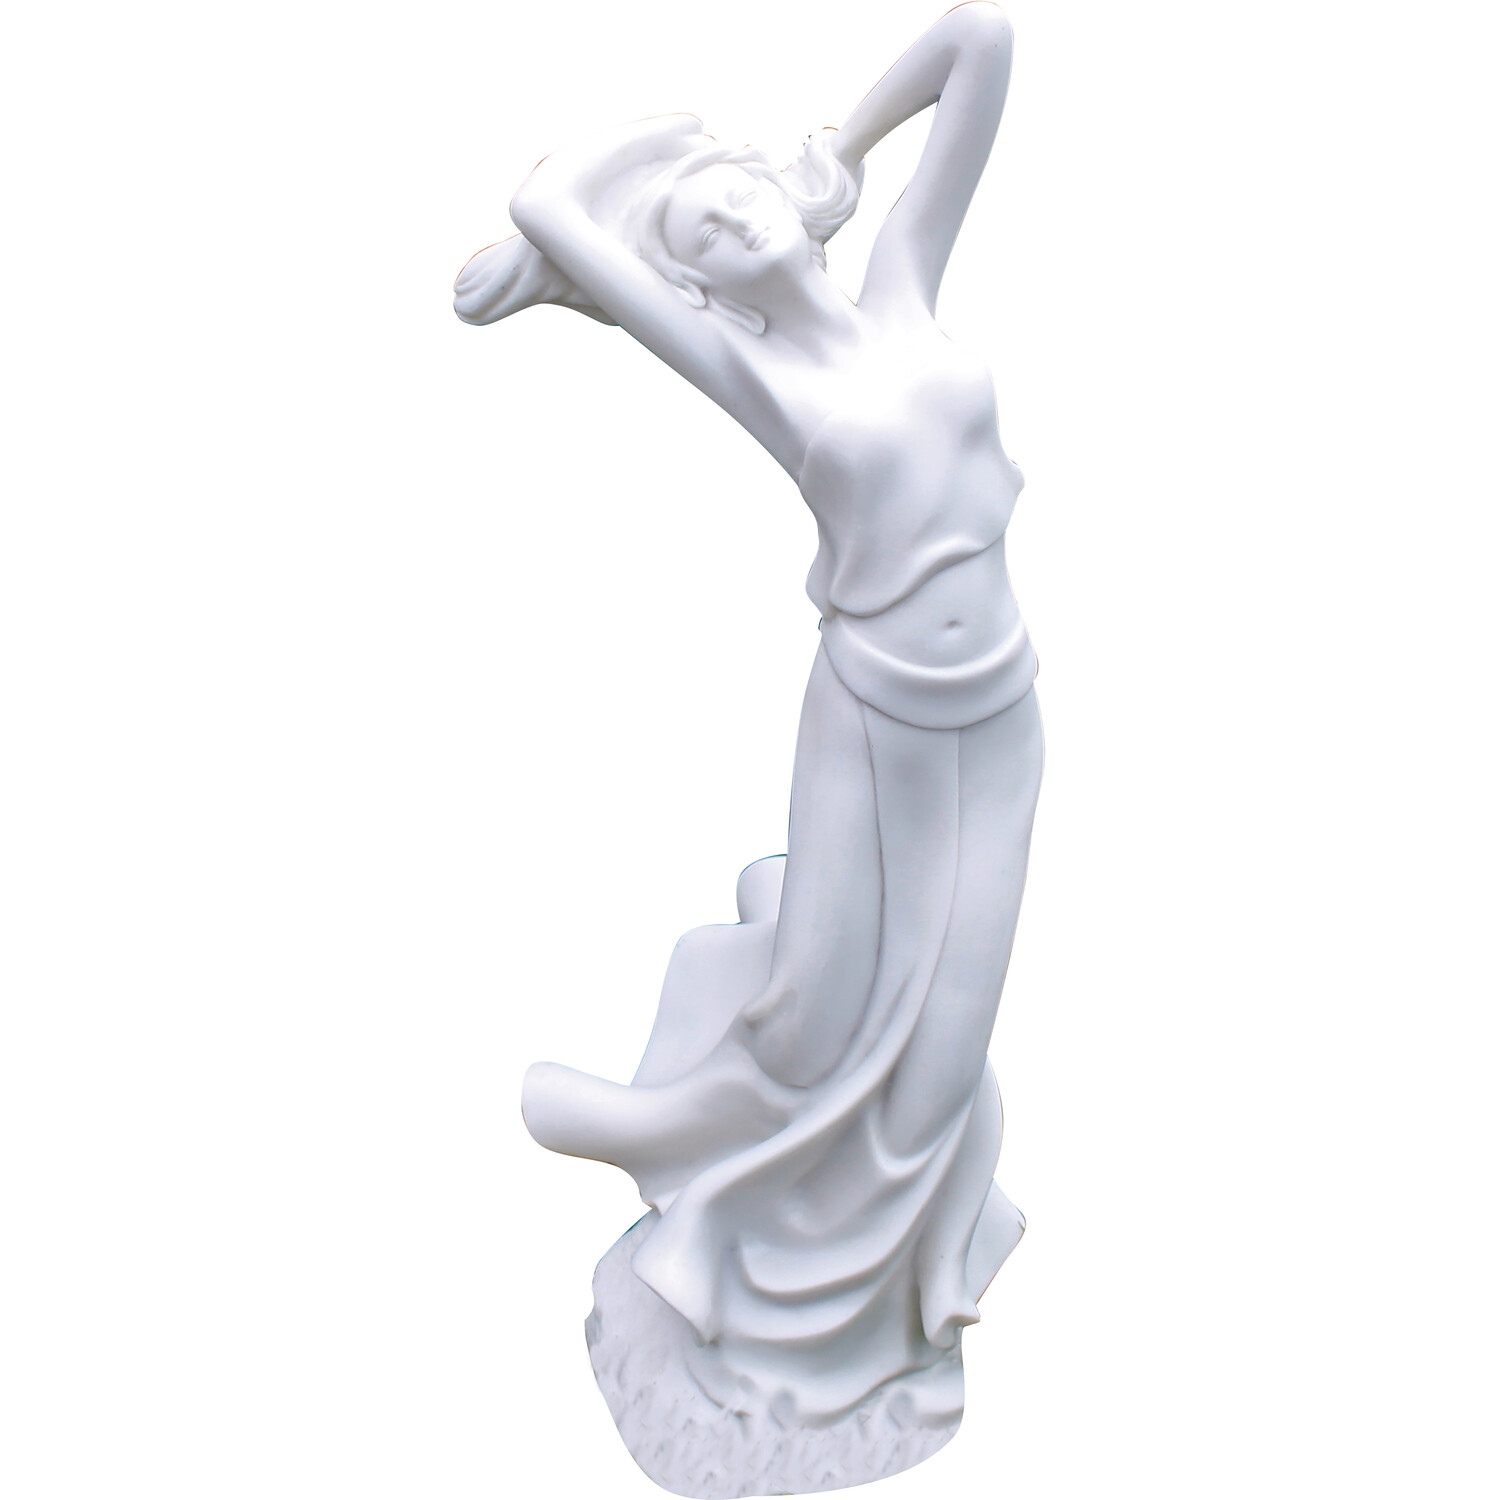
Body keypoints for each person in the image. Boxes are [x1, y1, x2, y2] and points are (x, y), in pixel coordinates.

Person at [457, 0, 1043, 1447]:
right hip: (871, 724)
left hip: (1001, 716)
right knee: (810, 1012)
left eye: (732, 195)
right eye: (700, 237)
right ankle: (670, 1163)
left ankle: (878, 1301)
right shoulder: (754, 369)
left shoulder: (903, 280)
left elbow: (980, 38)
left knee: (944, 1050)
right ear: (700, 291)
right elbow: (551, 205)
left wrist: (840, 142)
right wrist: (584, 230)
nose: (731, 223)